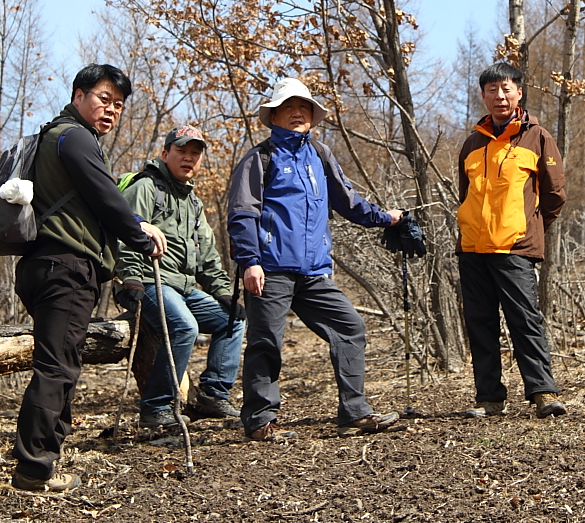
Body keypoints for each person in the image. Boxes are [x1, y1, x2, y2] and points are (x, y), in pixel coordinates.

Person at [12, 64, 168, 492]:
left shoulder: (55, 136)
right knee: (57, 367)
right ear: (78, 95)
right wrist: (140, 234)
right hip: (65, 267)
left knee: (61, 362)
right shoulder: (75, 137)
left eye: (119, 104)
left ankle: (42, 454)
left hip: (43, 266)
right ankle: (34, 468)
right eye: (104, 98)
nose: (111, 109)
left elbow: (94, 199)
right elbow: (106, 197)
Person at [226, 78, 402, 440]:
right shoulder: (259, 158)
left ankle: (354, 412)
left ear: (312, 115)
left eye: (303, 107)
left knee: (350, 327)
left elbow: (348, 201)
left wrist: (386, 218)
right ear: (274, 116)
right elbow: (242, 213)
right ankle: (260, 421)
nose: (297, 113)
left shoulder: (320, 155)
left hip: (314, 272)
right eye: (288, 107)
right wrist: (250, 261)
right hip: (270, 269)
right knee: (266, 342)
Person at [456, 62, 567, 419]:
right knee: (480, 323)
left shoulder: (537, 137)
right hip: (473, 248)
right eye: (492, 90)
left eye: (506, 89)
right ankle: (489, 398)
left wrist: (530, 228)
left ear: (519, 92)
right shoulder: (472, 143)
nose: (500, 96)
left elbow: (554, 194)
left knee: (524, 319)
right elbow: (465, 194)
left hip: (515, 247)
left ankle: (543, 392)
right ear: (483, 96)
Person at [115, 125, 245, 427]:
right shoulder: (146, 187)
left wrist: (223, 292)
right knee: (185, 327)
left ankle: (213, 394)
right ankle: (157, 407)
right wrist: (131, 278)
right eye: (181, 151)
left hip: (183, 287)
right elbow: (125, 232)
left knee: (232, 320)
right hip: (148, 281)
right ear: (165, 154)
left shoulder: (193, 202)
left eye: (195, 153)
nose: (188, 158)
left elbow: (207, 256)